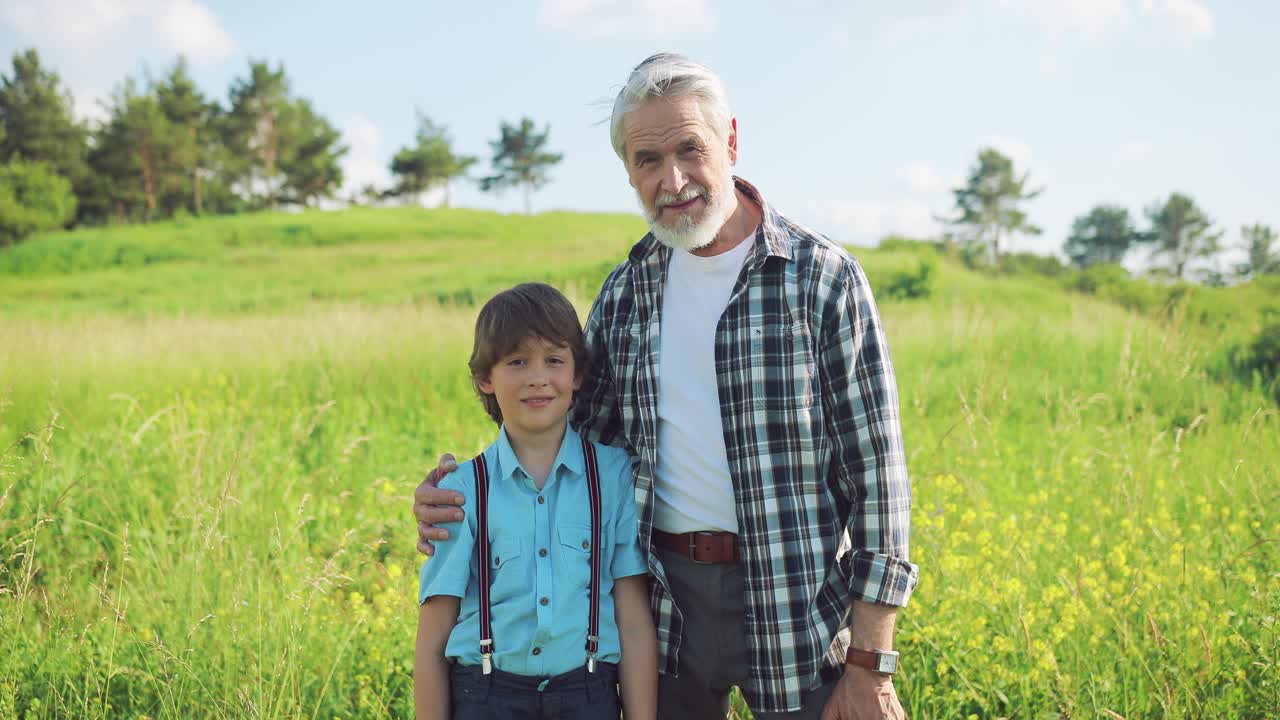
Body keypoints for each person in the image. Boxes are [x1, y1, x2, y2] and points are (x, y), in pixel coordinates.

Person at [415, 53, 919, 720]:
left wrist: (871, 665)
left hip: (802, 610)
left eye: (690, 148)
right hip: (665, 609)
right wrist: (466, 493)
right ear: (628, 173)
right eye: (647, 161)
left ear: (730, 141)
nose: (672, 179)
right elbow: (564, 439)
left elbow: (879, 481)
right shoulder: (627, 294)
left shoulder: (823, 280)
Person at [414, 282, 657, 720]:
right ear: (485, 379)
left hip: (589, 694)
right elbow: (432, 637)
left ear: (577, 374)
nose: (538, 377)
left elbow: (634, 622)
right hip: (485, 697)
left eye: (554, 360)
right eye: (517, 361)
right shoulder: (462, 491)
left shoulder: (615, 475)